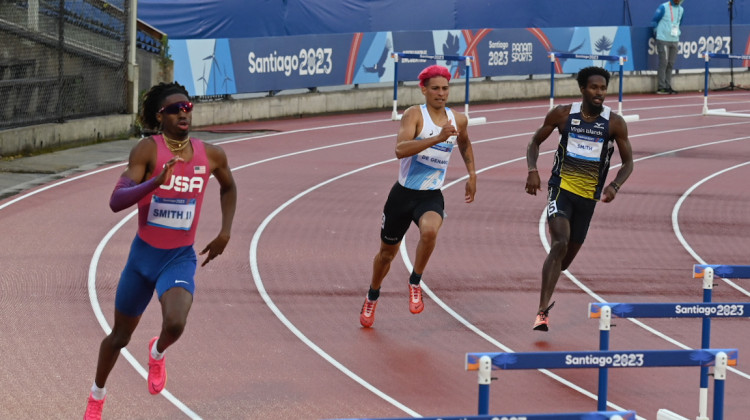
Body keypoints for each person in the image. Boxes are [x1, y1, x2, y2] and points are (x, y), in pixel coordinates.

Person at [83, 82, 237, 419]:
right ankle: (97, 395)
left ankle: (158, 350)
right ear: (160, 116)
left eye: (188, 107)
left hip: (178, 258)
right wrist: (155, 182)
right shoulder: (147, 151)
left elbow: (228, 186)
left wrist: (225, 231)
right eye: (175, 109)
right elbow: (115, 201)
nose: (184, 112)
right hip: (142, 260)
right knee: (119, 338)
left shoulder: (211, 155)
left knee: (176, 323)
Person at [359, 65, 477, 328]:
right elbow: (400, 150)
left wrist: (472, 174)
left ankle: (415, 281)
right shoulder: (414, 115)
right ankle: (372, 294)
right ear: (423, 89)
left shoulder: (458, 119)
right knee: (386, 255)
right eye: (435, 88)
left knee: (430, 232)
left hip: (430, 195)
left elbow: (464, 142)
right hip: (402, 196)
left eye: (445, 88)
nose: (441, 93)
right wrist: (437, 137)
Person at [525, 66, 633, 332]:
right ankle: (541, 312)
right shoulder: (563, 114)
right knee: (559, 241)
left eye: (603, 88)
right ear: (583, 89)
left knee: (564, 262)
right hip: (561, 189)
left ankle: (548, 283)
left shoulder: (615, 122)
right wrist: (532, 170)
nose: (599, 93)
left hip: (589, 199)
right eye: (594, 88)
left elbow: (629, 162)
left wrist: (615, 186)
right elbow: (534, 143)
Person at [652, 0, 684, 94]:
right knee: (664, 63)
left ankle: (668, 85)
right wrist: (656, 32)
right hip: (663, 39)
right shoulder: (663, 7)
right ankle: (661, 87)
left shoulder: (681, 9)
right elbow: (654, 20)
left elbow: (679, 23)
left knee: (671, 63)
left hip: (674, 39)